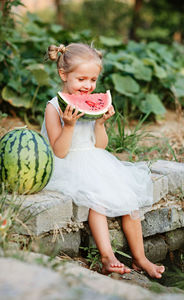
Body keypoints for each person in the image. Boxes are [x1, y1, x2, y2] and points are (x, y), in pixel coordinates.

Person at [41, 43, 165, 278]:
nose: (88, 86)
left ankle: (141, 259)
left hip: (94, 159)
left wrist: (100, 123)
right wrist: (69, 126)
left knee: (130, 202)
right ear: (63, 74)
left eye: (93, 80)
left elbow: (99, 145)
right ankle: (107, 257)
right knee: (97, 202)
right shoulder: (53, 107)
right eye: (81, 79)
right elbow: (59, 151)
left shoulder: (91, 104)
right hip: (67, 164)